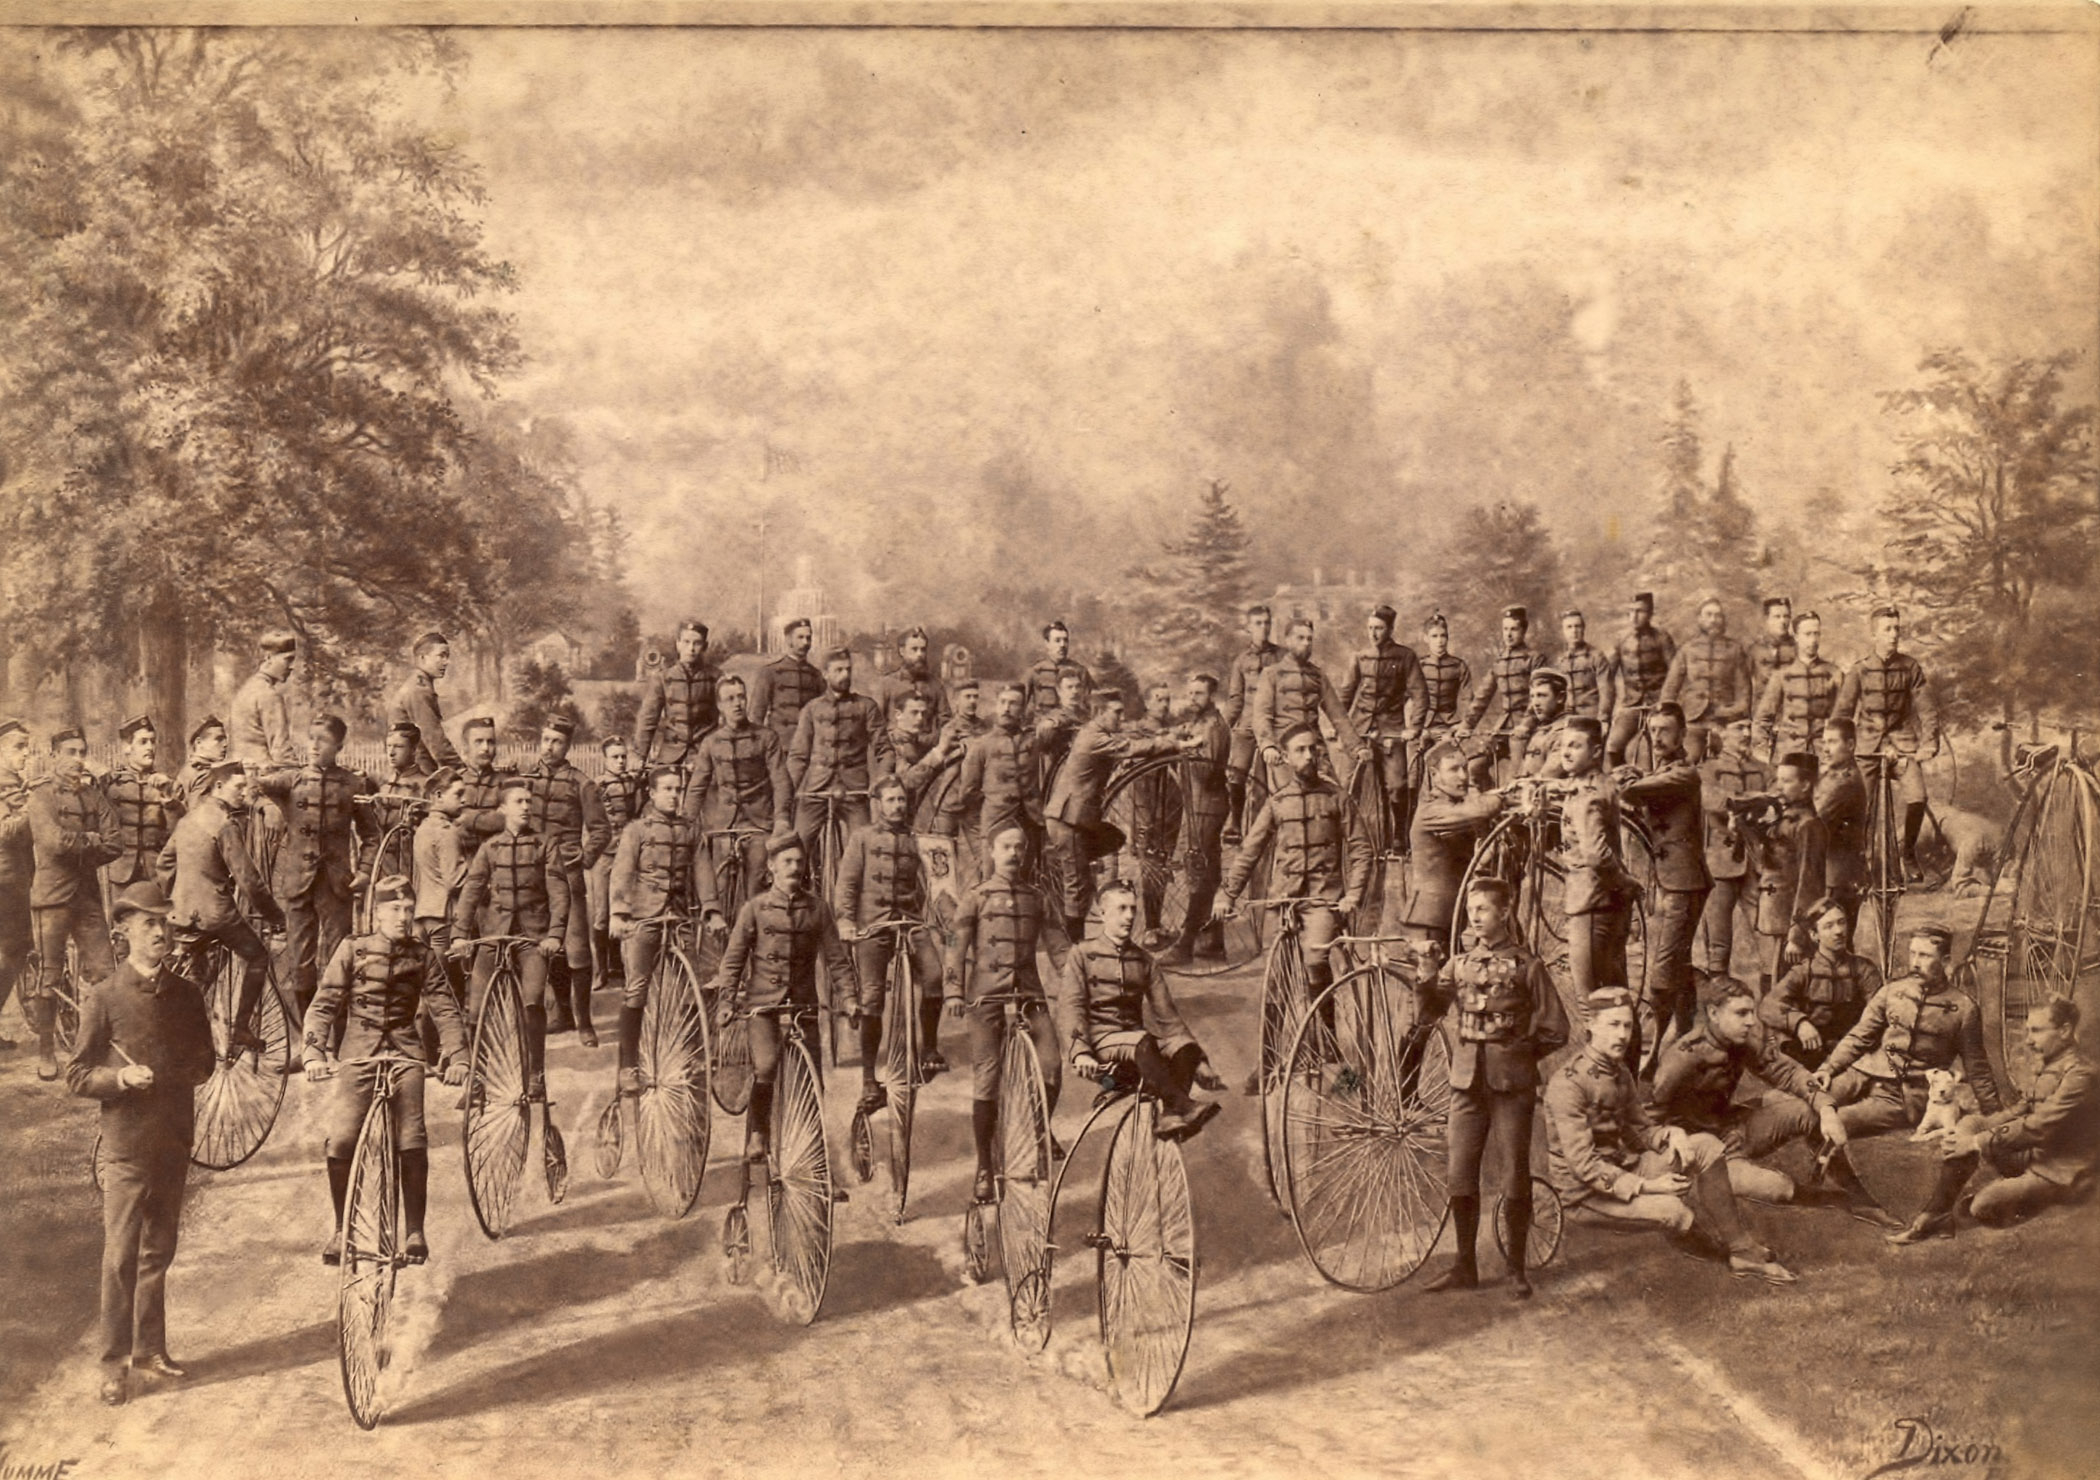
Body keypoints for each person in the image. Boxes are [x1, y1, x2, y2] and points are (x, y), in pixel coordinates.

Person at [65, 881, 217, 1406]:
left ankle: (151, 1349)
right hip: (127, 1147)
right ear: (123, 931)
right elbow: (78, 1074)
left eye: (165, 922)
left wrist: (177, 1072)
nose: (160, 931)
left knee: (160, 1250)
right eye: (149, 923)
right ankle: (114, 1365)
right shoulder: (104, 996)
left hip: (173, 1141)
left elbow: (206, 1062)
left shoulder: (187, 994)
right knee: (120, 1257)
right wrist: (120, 1081)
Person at [1543, 987, 1796, 1284]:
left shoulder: (1619, 1072)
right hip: (1585, 1193)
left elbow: (1640, 1131)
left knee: (1705, 1146)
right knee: (1674, 1212)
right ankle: (1725, 1260)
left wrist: (1671, 1135)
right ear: (1591, 1025)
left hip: (1624, 1167)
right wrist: (1650, 1186)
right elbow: (1583, 1166)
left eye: (1627, 1025)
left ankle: (1741, 1249)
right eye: (1613, 1025)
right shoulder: (1568, 1085)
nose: (1622, 1035)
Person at [1419, 876, 1569, 1298]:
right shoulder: (1460, 964)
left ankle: (1516, 1270)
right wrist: (1426, 974)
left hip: (1510, 1086)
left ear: (1505, 912)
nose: (1475, 917)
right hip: (1466, 1084)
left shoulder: (1528, 966)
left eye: (1483, 909)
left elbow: (1557, 1028)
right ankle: (1464, 1266)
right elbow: (1430, 1011)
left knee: (1514, 1177)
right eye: (1471, 910)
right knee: (1459, 1175)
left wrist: (1520, 1054)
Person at [306, 876, 468, 1266]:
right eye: (394, 909)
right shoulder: (352, 949)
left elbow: (444, 1006)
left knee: (411, 1135)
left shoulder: (424, 955)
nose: (403, 916)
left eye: (409, 909)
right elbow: (325, 1003)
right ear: (377, 912)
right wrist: (314, 1052)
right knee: (342, 1137)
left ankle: (414, 1230)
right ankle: (341, 1229)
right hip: (359, 1053)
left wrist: (458, 1055)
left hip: (406, 1053)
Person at [1808, 924, 2003, 1227]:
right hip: (1866, 1072)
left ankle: (1859, 1200)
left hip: (1906, 1094)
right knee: (1808, 1102)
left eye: (1924, 955)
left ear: (1947, 961)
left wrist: (1996, 1119)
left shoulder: (1964, 1009)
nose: (1914, 962)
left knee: (1836, 1122)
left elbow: (1977, 1067)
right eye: (1912, 953)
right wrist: (1828, 1069)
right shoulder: (1892, 991)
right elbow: (1860, 1036)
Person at [1220, 722, 1374, 1093]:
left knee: (1315, 964)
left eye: (1313, 749)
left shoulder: (1338, 798)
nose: (1309, 756)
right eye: (1301, 750)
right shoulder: (1277, 803)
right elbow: (1251, 851)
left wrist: (1352, 894)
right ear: (1286, 759)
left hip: (1323, 900)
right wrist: (1227, 892)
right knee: (1275, 983)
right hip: (1282, 902)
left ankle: (1332, 1060)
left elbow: (1361, 849)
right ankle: (1269, 1062)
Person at [1889, 997, 2099, 1243]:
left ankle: (2003, 1199)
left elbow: (2040, 1125)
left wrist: (1977, 1142)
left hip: (2061, 1170)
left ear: (2064, 1031)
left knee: (1982, 1207)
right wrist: (1973, 1132)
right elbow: (2021, 1110)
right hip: (2033, 1153)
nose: (2029, 1041)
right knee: (1969, 1124)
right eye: (2028, 1031)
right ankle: (1936, 1215)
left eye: (2037, 1031)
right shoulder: (2050, 1063)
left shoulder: (2080, 1075)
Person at [943, 825, 1072, 1201]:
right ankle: (984, 1166)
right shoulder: (975, 899)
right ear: (992, 852)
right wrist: (953, 990)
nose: (1014, 854)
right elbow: (954, 947)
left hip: (1029, 994)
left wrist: (1074, 982)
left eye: (1020, 847)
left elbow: (1060, 948)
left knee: (1051, 1065)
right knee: (987, 1078)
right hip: (986, 999)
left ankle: (1039, 1128)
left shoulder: (1038, 898)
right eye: (1006, 847)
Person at [711, 833, 857, 1164]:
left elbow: (836, 960)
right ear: (772, 867)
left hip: (803, 1004)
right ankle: (758, 1135)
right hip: (762, 1005)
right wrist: (726, 1002)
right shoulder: (755, 910)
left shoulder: (818, 910)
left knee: (812, 1082)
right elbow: (733, 960)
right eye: (786, 861)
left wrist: (849, 998)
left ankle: (814, 1161)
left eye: (799, 862)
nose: (794, 867)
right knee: (766, 1066)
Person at [1651, 974, 1843, 1204]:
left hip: (1731, 1129)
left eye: (1751, 1012)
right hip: (1703, 1154)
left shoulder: (1740, 1042)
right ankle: (1831, 1199)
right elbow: (1647, 1120)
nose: (1751, 1021)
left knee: (1809, 1110)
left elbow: (1789, 1072)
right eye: (1741, 1013)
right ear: (1713, 1014)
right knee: (1779, 1188)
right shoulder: (1682, 1058)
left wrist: (1827, 1110)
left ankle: (1849, 1190)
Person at [1061, 880, 1225, 1140]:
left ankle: (1171, 1115)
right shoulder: (1081, 954)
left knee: (1185, 1046)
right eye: (1121, 909)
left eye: (1133, 909)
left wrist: (1200, 1062)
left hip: (1139, 1049)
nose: (1129, 916)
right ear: (1103, 913)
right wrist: (1080, 1053)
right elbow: (1072, 1006)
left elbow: (1168, 1015)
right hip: (1102, 1052)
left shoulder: (1144, 960)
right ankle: (1182, 1105)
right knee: (1143, 1040)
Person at [450, 782, 570, 1104]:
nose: (526, 807)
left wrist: (555, 935)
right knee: (476, 1007)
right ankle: (477, 1081)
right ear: (503, 809)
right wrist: (460, 934)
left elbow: (559, 893)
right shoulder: (489, 848)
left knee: (532, 1001)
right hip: (495, 935)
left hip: (532, 936)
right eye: (518, 802)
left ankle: (535, 1076)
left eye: (529, 801)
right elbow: (472, 891)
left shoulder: (545, 844)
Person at [252, 715, 375, 1028]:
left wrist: (364, 871)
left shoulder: (352, 784)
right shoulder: (290, 780)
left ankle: (337, 1040)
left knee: (339, 959)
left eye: (322, 740)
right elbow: (254, 788)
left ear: (339, 746)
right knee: (300, 962)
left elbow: (372, 835)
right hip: (298, 883)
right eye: (310, 737)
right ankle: (308, 1038)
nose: (314, 745)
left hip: (336, 885)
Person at [834, 775, 946, 1114]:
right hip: (872, 925)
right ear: (878, 804)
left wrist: (942, 919)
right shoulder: (862, 839)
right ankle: (869, 1077)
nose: (898, 806)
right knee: (871, 998)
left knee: (934, 977)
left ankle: (929, 1048)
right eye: (891, 800)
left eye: (901, 800)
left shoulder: (918, 840)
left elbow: (936, 884)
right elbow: (847, 884)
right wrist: (845, 920)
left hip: (910, 923)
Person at [1044, 690, 1191, 941]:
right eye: (1117, 713)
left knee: (1113, 838)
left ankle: (1077, 865)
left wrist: (1171, 734)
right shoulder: (1094, 738)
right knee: (1076, 888)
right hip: (1068, 821)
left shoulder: (1099, 731)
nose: (1122, 718)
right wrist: (1177, 744)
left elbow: (1134, 735)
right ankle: (1074, 949)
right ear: (1100, 713)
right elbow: (1130, 746)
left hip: (1080, 819)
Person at [156, 762, 284, 1053]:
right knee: (258, 956)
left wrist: (174, 898)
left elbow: (163, 863)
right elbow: (248, 880)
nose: (243, 792)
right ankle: (240, 1029)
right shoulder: (225, 825)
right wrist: (276, 916)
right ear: (218, 787)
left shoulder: (188, 820)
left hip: (181, 914)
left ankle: (192, 1031)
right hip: (216, 915)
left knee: (200, 972)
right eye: (238, 786)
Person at [609, 767, 718, 1095]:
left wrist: (712, 910)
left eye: (678, 789)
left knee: (694, 988)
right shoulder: (636, 831)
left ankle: (693, 1056)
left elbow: (702, 871)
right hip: (644, 918)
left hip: (679, 917)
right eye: (667, 789)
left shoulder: (690, 831)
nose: (674, 795)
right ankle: (628, 1066)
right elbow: (622, 872)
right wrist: (618, 913)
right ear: (652, 794)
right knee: (637, 989)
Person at [1615, 703, 1710, 1065]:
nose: (1657, 737)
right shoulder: (1663, 771)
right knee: (1678, 963)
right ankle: (1688, 1037)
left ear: (1683, 735)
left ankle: (1652, 1054)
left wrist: (1626, 781)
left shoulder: (1685, 774)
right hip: (1669, 882)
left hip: (1684, 883)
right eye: (1652, 730)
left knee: (1662, 973)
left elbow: (1638, 792)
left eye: (1665, 730)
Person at [28, 728, 122, 1079]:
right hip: (51, 897)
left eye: (82, 751)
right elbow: (52, 843)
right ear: (54, 755)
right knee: (50, 976)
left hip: (86, 897)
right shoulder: (41, 796)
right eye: (70, 751)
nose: (78, 758)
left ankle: (98, 1048)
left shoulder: (94, 796)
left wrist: (85, 844)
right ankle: (46, 1051)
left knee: (105, 975)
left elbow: (116, 843)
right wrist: (91, 840)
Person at [521, 714, 611, 1044]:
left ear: (568, 745)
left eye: (557, 741)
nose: (550, 746)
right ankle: (562, 1013)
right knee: (550, 948)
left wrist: (584, 858)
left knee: (576, 949)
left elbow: (601, 830)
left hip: (568, 876)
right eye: (545, 739)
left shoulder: (581, 783)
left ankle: (585, 1021)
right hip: (532, 874)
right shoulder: (525, 780)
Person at [1834, 606, 1940, 881]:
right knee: (1862, 807)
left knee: (1918, 797)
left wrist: (1928, 743)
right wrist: (1840, 751)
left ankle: (1907, 852)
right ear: (1874, 634)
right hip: (1867, 747)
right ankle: (1865, 861)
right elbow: (1843, 714)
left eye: (1896, 629)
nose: (1893, 635)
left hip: (1902, 744)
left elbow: (1927, 708)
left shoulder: (1910, 667)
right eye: (1887, 629)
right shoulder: (1859, 670)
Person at [1553, 719, 1634, 1050]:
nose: (1566, 752)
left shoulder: (1587, 796)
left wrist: (1624, 880)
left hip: (1590, 902)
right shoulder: (1601, 784)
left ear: (1596, 752)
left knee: (1592, 1003)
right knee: (1618, 995)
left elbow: (1597, 855)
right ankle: (1625, 1080)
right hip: (1609, 903)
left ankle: (1601, 1081)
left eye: (1575, 746)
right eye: (1563, 745)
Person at [686, 673, 794, 905]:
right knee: (717, 886)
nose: (737, 703)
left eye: (741, 697)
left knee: (756, 884)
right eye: (730, 699)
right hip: (723, 825)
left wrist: (782, 819)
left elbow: (781, 781)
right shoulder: (711, 742)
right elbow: (697, 786)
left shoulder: (766, 737)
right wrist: (686, 821)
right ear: (719, 705)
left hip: (759, 824)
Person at [790, 646, 892, 873]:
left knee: (866, 849)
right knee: (796, 848)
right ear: (825, 673)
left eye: (848, 670)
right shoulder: (812, 710)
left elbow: (885, 750)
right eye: (838, 670)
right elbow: (798, 756)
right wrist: (790, 790)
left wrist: (882, 778)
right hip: (815, 790)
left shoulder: (866, 707)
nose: (845, 675)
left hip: (854, 791)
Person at [1402, 743, 1505, 956]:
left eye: (1465, 768)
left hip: (1451, 914)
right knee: (1430, 985)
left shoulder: (1456, 804)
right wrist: (1504, 796)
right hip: (1429, 918)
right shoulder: (1432, 809)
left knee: (1452, 983)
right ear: (1434, 775)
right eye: (1453, 770)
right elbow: (1480, 810)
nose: (1463, 776)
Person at [1340, 603, 1427, 850]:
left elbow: (1420, 693)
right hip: (1361, 728)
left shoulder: (1405, 656)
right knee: (1348, 784)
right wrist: (1339, 728)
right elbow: (1345, 695)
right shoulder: (1359, 657)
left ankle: (1399, 834)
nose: (1373, 633)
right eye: (1370, 628)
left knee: (1397, 786)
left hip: (1392, 731)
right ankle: (1349, 838)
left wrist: (1415, 727)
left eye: (1379, 628)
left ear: (1390, 629)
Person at [1160, 673, 1233, 966]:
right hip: (1201, 806)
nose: (1193, 699)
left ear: (1211, 696)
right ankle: (1212, 943)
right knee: (1210, 873)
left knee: (1199, 875)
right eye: (1190, 693)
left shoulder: (1214, 727)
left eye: (1199, 694)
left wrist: (1187, 746)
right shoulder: (1200, 723)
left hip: (1207, 807)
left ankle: (1186, 943)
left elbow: (1207, 772)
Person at [942, 683, 1045, 880]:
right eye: (1003, 702)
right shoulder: (982, 746)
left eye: (1013, 704)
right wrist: (994, 803)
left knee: (1027, 881)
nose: (1007, 708)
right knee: (992, 883)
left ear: (1023, 709)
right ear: (996, 706)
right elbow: (967, 793)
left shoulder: (1033, 743)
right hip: (994, 825)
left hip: (1030, 823)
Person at [1762, 897, 1880, 1069]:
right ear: (1814, 935)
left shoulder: (1864, 969)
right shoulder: (1804, 971)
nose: (1839, 931)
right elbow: (1768, 1005)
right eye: (1829, 926)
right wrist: (1800, 1024)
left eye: (1842, 923)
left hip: (1853, 1052)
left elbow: (1878, 1014)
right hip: (1811, 1052)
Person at [1747, 752, 1827, 989]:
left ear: (1806, 785)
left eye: (1787, 781)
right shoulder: (1782, 819)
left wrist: (1797, 935)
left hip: (1789, 930)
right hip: (1773, 924)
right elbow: (1765, 865)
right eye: (1778, 780)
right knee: (1769, 985)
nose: (1779, 787)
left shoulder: (1809, 825)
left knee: (1787, 990)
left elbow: (1809, 885)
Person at [1697, 716, 1768, 976]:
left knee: (1766, 931)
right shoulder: (1709, 769)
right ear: (1721, 733)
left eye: (1749, 727)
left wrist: (1754, 804)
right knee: (1718, 941)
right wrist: (1744, 801)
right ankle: (1718, 991)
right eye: (1739, 727)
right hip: (1720, 862)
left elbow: (1775, 797)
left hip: (1757, 860)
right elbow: (1709, 799)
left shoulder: (1762, 769)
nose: (1747, 733)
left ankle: (1773, 993)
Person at [1252, 617, 1358, 782]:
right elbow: (1261, 715)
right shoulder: (1271, 674)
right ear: (1288, 640)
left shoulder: (1317, 675)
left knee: (1332, 794)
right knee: (1288, 800)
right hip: (1283, 751)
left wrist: (1356, 746)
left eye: (1309, 639)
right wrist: (1268, 746)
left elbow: (1338, 716)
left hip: (1314, 748)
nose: (1306, 643)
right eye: (1300, 638)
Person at [412, 768, 472, 1045]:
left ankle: (428, 1052)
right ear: (437, 796)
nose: (463, 800)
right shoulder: (448, 832)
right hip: (444, 917)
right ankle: (451, 1053)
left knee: (429, 988)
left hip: (422, 915)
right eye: (457, 794)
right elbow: (455, 880)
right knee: (449, 989)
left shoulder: (423, 829)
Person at [101, 716, 185, 902]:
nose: (150, 747)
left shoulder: (168, 784)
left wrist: (169, 800)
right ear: (127, 747)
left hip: (156, 870)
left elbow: (180, 832)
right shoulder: (109, 784)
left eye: (153, 742)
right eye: (143, 742)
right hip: (121, 871)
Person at [1458, 606, 1545, 780]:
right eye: (1505, 629)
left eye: (1514, 629)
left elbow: (1539, 697)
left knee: (1517, 775)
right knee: (1474, 768)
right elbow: (1483, 695)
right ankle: (1491, 803)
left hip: (1527, 727)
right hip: (1503, 726)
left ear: (1523, 630)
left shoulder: (1535, 659)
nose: (1509, 634)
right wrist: (1467, 725)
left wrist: (1526, 724)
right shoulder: (1500, 660)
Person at [1661, 596, 1753, 760]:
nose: (1713, 620)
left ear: (1723, 620)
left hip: (1725, 723)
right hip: (1692, 721)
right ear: (1700, 619)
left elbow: (1744, 696)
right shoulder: (1687, 649)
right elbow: (1669, 690)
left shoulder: (1735, 649)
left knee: (1730, 763)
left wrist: (1726, 712)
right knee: (1689, 761)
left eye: (1718, 616)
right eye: (1708, 615)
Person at [1222, 604, 1282, 840]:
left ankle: (1278, 822)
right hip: (1246, 725)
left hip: (1274, 725)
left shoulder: (1282, 657)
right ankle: (1235, 822)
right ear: (1249, 627)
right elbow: (1235, 699)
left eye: (1267, 623)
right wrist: (1222, 727)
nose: (1263, 628)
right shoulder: (1241, 661)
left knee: (1277, 775)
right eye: (1258, 623)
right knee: (1236, 772)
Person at [590, 735, 644, 999]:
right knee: (602, 912)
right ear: (605, 759)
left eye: (623, 756)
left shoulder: (634, 783)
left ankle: (623, 967)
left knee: (626, 909)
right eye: (615, 757)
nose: (621, 761)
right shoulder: (596, 786)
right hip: (605, 854)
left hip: (628, 855)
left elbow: (638, 814)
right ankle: (601, 971)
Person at [1754, 608, 1838, 763]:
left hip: (1821, 753)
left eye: (1816, 633)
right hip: (1788, 752)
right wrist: (1762, 751)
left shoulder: (1833, 673)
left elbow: (1843, 717)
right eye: (1808, 634)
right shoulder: (1781, 675)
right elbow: (1762, 719)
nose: (1813, 640)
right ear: (1797, 637)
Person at [636, 619, 720, 774]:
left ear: (705, 647)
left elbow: (728, 720)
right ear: (678, 644)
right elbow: (648, 718)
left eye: (697, 643)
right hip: (670, 754)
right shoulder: (663, 678)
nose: (691, 648)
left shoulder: (716, 677)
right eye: (686, 642)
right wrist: (640, 756)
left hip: (705, 754)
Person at [1606, 592, 1677, 768]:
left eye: (1640, 611)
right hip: (1632, 706)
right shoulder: (1621, 640)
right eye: (1631, 611)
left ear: (1650, 613)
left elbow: (1675, 674)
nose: (1634, 617)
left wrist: (1667, 703)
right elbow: (1607, 675)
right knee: (1612, 745)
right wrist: (1609, 710)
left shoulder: (1662, 638)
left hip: (1659, 705)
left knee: (1666, 746)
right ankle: (1622, 780)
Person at [1814, 718, 1868, 935]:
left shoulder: (1845, 783)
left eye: (1832, 742)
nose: (1826, 749)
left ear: (1851, 745)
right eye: (1824, 743)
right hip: (1832, 871)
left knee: (1833, 941)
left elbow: (1814, 820)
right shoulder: (1831, 775)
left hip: (1838, 875)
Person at [0, 719, 34, 1052]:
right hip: (5, 881)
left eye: (27, 746)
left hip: (16, 880)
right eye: (18, 747)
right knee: (10, 952)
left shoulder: (15, 783)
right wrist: (34, 807)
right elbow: (7, 832)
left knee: (14, 952)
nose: (25, 754)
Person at [386, 632, 463, 772]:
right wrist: (460, 769)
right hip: (417, 772)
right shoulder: (418, 690)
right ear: (422, 658)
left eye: (447, 656)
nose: (446, 662)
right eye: (441, 655)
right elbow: (435, 739)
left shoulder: (419, 685)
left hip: (417, 768)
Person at [367, 721, 436, 871]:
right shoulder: (382, 783)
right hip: (381, 864)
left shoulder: (427, 785)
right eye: (389, 746)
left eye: (398, 747)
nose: (391, 752)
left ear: (413, 750)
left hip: (412, 865)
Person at [885, 692, 963, 820]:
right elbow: (906, 781)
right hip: (890, 816)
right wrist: (940, 751)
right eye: (914, 713)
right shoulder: (889, 743)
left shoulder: (916, 742)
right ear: (898, 715)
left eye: (923, 713)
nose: (920, 718)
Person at [229, 631, 301, 768]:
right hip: (263, 777)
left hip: (240, 774)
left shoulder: (247, 689)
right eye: (288, 659)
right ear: (268, 658)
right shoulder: (269, 695)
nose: (292, 666)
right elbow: (281, 753)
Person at [750, 616, 824, 748]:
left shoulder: (816, 675)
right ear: (789, 640)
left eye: (808, 638)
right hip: (779, 746)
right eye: (800, 637)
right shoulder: (769, 672)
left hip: (808, 746)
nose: (805, 642)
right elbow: (756, 715)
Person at [873, 625, 950, 731]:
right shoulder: (886, 685)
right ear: (902, 651)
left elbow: (946, 723)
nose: (920, 654)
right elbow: (876, 726)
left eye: (923, 650)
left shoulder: (936, 686)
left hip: (929, 746)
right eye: (914, 649)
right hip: (895, 745)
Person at [455, 715, 515, 846]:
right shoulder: (454, 782)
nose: (486, 748)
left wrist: (467, 818)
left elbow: (507, 821)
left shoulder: (506, 782)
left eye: (490, 742)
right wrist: (490, 818)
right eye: (479, 741)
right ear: (466, 747)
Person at [1556, 608, 1616, 724]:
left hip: (1591, 718)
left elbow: (1607, 691)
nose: (1574, 631)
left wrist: (1603, 719)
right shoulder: (1560, 661)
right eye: (1569, 627)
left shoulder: (1596, 656)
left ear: (1583, 629)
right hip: (1566, 719)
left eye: (1577, 626)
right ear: (1563, 631)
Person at [1026, 619, 1094, 720]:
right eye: (1057, 640)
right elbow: (1020, 703)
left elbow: (1093, 703)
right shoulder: (1035, 671)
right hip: (1044, 725)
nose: (1062, 645)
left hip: (1073, 723)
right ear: (1047, 643)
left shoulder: (1080, 671)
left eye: (1065, 640)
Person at [1512, 669, 1571, 780]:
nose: (1535, 703)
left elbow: (1547, 778)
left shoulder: (1566, 732)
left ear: (1560, 698)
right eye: (1532, 696)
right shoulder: (1541, 729)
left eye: (1541, 695)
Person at [1747, 597, 1797, 722]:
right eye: (1777, 616)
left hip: (1790, 716)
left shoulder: (1799, 649)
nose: (1783, 621)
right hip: (1760, 715)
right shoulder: (1755, 649)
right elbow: (1744, 687)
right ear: (1766, 620)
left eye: (1786, 616)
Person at [176, 715, 230, 804]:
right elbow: (201, 814)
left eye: (225, 740)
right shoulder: (204, 774)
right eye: (219, 739)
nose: (225, 744)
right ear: (199, 742)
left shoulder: (188, 769)